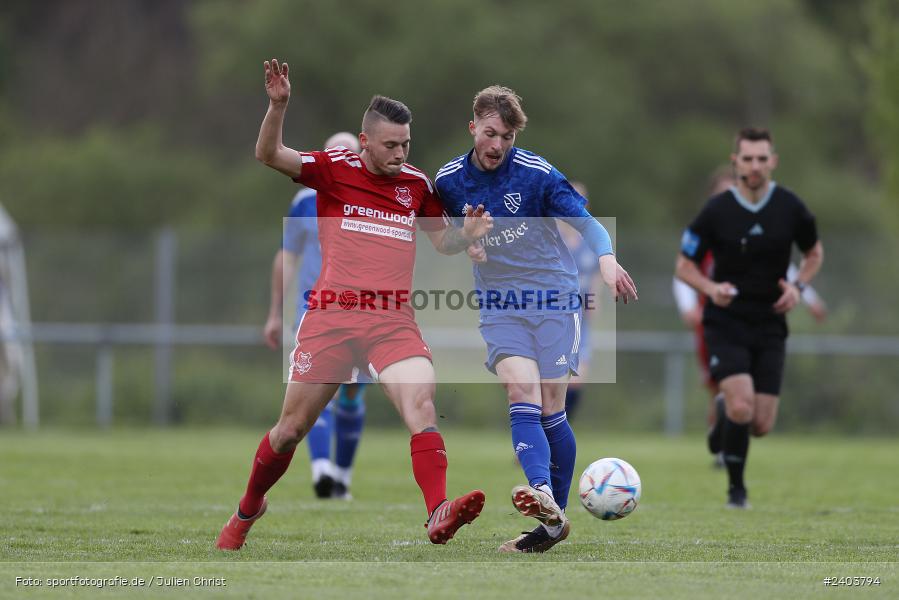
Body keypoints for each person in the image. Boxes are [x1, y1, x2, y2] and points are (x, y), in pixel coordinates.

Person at [217, 59, 494, 550]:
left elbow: (442, 243)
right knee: (289, 432)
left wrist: (465, 235)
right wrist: (277, 106)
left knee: (422, 404)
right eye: (390, 145)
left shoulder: (415, 186)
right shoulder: (332, 170)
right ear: (365, 142)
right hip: (330, 319)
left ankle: (438, 511)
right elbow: (267, 153)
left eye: (406, 144)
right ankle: (246, 510)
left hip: (391, 323)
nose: (400, 154)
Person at [436, 86, 637, 553]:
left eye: (506, 136)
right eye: (490, 133)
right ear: (473, 127)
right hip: (500, 304)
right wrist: (465, 239)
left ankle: (548, 525)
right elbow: (441, 241)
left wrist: (606, 259)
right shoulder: (448, 181)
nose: (497, 145)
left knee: (551, 408)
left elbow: (587, 222)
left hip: (553, 298)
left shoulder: (537, 174)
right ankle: (544, 497)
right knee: (519, 390)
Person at [675, 128, 824, 508]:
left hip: (771, 324)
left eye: (762, 158)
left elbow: (813, 254)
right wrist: (710, 290)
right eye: (748, 158)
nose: (755, 166)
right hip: (726, 321)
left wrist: (799, 288)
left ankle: (725, 417)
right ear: (735, 161)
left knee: (760, 424)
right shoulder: (717, 211)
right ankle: (736, 491)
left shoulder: (791, 207)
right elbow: (684, 266)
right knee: (742, 404)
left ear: (772, 161)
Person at [262, 131, 367, 500]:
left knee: (352, 394)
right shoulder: (305, 200)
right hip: (313, 309)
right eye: (334, 152)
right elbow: (286, 257)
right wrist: (274, 312)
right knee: (313, 388)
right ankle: (322, 471)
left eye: (349, 153)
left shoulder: (372, 198)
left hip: (361, 311)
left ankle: (341, 476)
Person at [555, 182, 602, 419]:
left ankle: (558, 435)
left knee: (576, 382)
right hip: (552, 321)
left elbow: (594, 278)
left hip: (580, 323)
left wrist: (593, 302)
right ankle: (536, 441)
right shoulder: (551, 239)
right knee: (548, 386)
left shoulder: (591, 242)